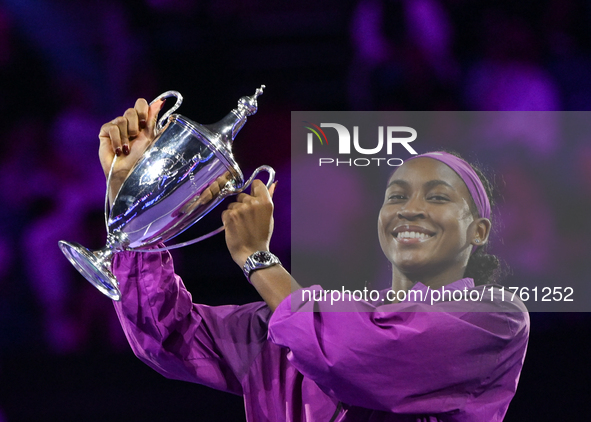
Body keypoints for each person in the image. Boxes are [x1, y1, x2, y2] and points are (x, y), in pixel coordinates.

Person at [99, 99, 529, 421]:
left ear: (478, 232)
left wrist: (258, 260)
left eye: (436, 197)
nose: (409, 210)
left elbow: (355, 356)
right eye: (396, 196)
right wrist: (139, 197)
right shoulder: (298, 318)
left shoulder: (494, 319)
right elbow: (169, 337)